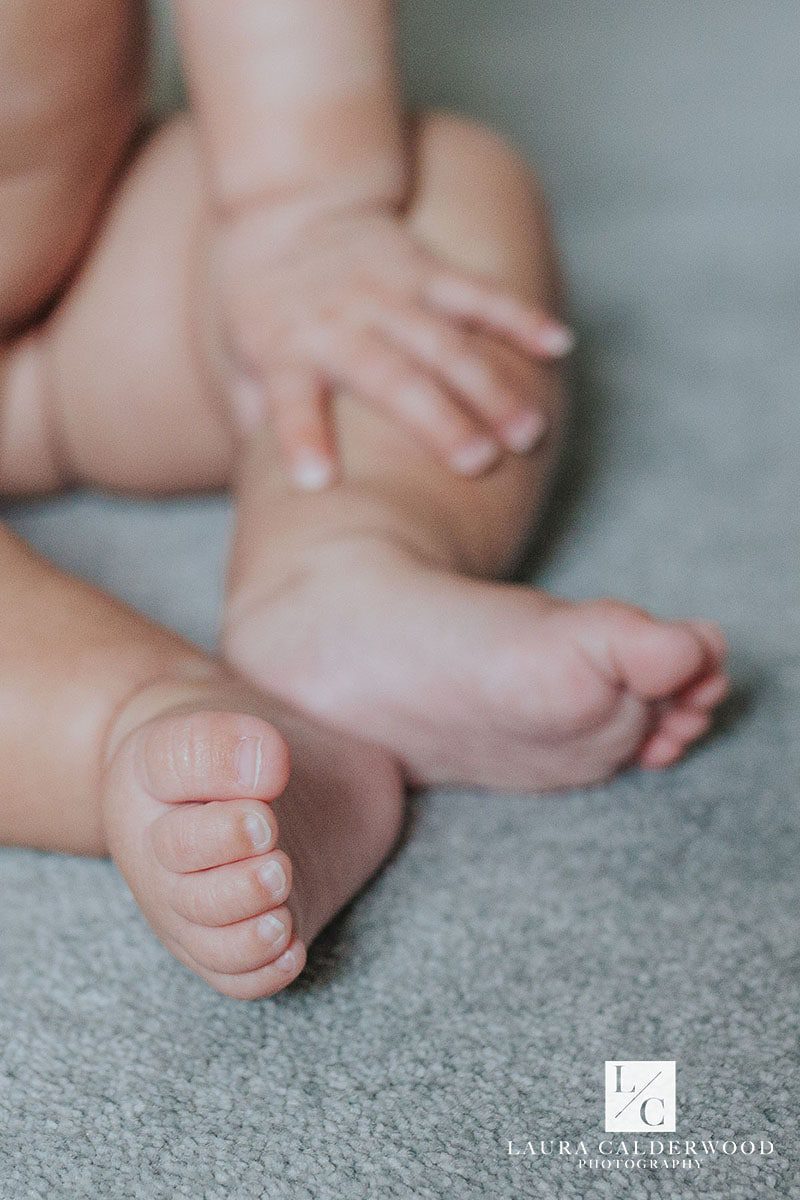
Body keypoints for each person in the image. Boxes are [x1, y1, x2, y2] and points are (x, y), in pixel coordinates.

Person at [0, 0, 728, 998]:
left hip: (64, 285)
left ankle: (344, 578)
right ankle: (143, 726)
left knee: (445, 187)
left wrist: (305, 215)